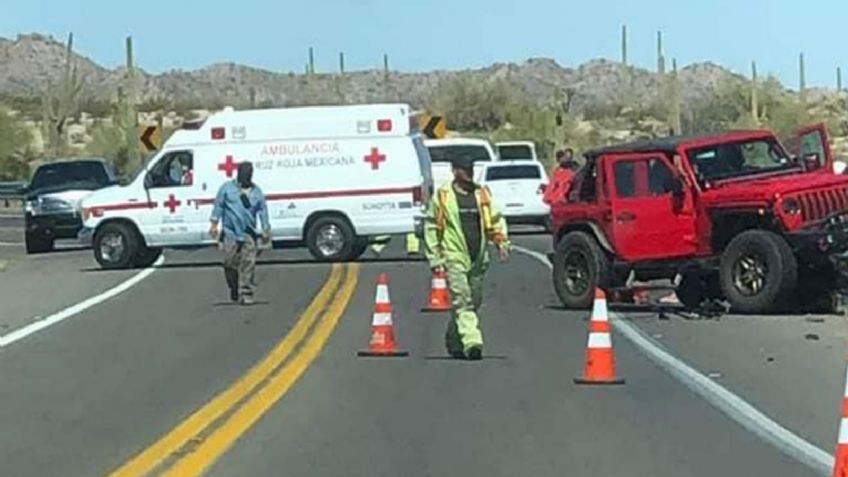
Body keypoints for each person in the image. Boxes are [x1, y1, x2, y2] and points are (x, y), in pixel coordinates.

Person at [424, 154, 510, 360]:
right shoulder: (443, 196)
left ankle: (454, 339)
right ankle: (473, 342)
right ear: (455, 171)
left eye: (471, 168)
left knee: (474, 300)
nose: (469, 172)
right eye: (464, 169)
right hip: (454, 254)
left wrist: (501, 242)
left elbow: (495, 218)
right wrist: (435, 257)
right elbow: (431, 226)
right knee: (463, 300)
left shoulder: (482, 194)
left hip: (478, 256)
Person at [209, 162, 271, 305]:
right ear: (239, 173)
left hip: (248, 232)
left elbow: (263, 211)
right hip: (230, 233)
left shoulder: (257, 192)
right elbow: (218, 206)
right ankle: (233, 286)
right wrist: (214, 224)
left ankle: (246, 292)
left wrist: (266, 229)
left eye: (249, 173)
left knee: (248, 262)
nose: (246, 176)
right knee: (229, 263)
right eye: (244, 173)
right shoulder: (227, 189)